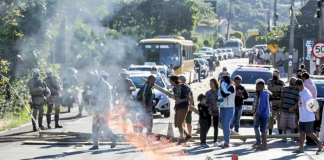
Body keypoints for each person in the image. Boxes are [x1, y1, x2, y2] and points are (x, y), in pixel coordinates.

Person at [292, 79, 323, 154]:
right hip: (302, 117)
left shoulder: (306, 93)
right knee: (302, 132)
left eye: (296, 86)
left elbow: (311, 104)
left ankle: (319, 143)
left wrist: (316, 114)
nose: (296, 88)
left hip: (308, 117)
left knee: (309, 133)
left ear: (299, 85)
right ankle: (301, 148)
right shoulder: (301, 92)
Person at [88, 72, 117, 150]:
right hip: (97, 109)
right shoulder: (94, 85)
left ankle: (113, 138)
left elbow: (109, 98)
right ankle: (95, 145)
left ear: (97, 78)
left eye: (93, 79)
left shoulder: (105, 85)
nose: (92, 81)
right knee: (94, 127)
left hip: (105, 110)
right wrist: (91, 99)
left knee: (104, 128)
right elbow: (93, 96)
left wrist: (99, 100)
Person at [170, 76, 192, 145]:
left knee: (180, 123)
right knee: (177, 123)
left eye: (170, 81)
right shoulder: (174, 89)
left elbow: (188, 97)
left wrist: (181, 100)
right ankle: (187, 135)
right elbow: (176, 99)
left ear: (174, 81)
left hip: (183, 107)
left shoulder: (182, 87)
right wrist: (175, 105)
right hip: (178, 107)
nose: (170, 82)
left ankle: (182, 138)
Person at [252, 79, 272, 150]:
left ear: (262, 86)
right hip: (264, 114)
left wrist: (258, 113)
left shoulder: (263, 94)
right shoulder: (263, 93)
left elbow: (262, 106)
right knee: (263, 130)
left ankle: (265, 145)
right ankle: (263, 144)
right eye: (257, 86)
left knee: (263, 130)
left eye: (258, 86)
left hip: (263, 115)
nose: (257, 88)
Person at [279, 77, 299, 142]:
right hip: (284, 109)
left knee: (292, 125)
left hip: (292, 111)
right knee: (283, 124)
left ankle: (292, 137)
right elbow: (282, 99)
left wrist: (293, 107)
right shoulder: (285, 89)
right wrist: (280, 108)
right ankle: (284, 136)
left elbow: (297, 101)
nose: (292, 82)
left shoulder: (297, 90)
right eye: (291, 80)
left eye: (294, 81)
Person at [301, 72, 318, 145]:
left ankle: (312, 141)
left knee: (308, 128)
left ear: (304, 78)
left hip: (307, 106)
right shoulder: (313, 84)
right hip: (314, 103)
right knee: (311, 126)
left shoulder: (305, 85)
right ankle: (312, 141)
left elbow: (307, 98)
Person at [219, 75, 235, 149]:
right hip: (223, 108)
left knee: (226, 125)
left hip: (229, 108)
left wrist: (222, 88)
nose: (222, 82)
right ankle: (225, 141)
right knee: (223, 125)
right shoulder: (223, 87)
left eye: (223, 80)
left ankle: (227, 142)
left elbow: (225, 95)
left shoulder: (231, 86)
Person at [267, 70, 285, 135]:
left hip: (279, 101)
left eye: (276, 74)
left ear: (278, 75)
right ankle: (270, 132)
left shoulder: (281, 82)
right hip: (272, 101)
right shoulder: (270, 81)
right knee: (271, 117)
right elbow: (270, 88)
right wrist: (279, 88)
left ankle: (280, 132)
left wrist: (276, 87)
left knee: (279, 117)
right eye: (274, 74)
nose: (275, 75)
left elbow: (283, 89)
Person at [205, 78, 221, 147]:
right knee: (207, 125)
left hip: (217, 111)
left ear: (215, 84)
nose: (211, 85)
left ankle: (215, 141)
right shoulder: (208, 93)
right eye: (210, 83)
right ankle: (203, 140)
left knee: (215, 126)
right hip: (209, 111)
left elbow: (222, 100)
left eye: (212, 83)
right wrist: (208, 109)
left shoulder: (219, 92)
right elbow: (205, 102)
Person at [179, 75, 195, 142]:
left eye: (179, 80)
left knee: (188, 122)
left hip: (187, 106)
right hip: (181, 107)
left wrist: (190, 106)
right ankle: (184, 136)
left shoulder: (186, 87)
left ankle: (189, 136)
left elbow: (191, 97)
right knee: (182, 122)